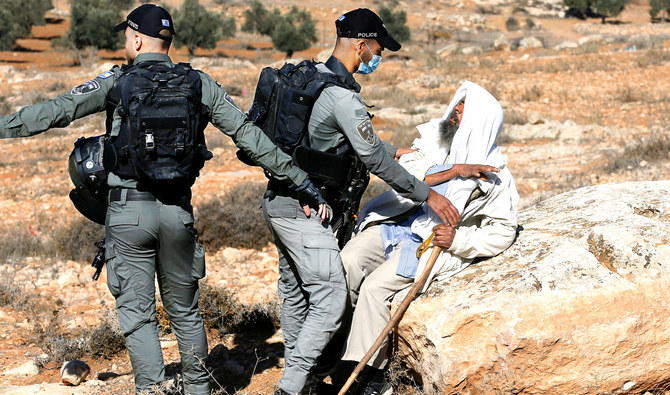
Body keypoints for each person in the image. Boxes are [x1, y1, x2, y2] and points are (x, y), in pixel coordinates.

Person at [0, 4, 326, 394]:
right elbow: (248, 136)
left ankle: (151, 390)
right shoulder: (198, 83)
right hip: (176, 213)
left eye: (126, 35)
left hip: (128, 213)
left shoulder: (118, 82)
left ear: (136, 39)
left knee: (138, 316)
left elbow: (55, 112)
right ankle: (198, 390)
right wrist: (300, 181)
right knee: (186, 313)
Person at [262, 8, 461, 395]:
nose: (377, 57)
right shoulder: (344, 98)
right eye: (377, 48)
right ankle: (296, 385)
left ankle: (303, 377)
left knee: (297, 291)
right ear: (361, 44)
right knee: (330, 296)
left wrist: (395, 147)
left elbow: (338, 140)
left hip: (282, 200)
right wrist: (427, 193)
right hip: (313, 211)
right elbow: (373, 159)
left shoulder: (313, 81)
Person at [338, 81, 520, 394]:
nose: (455, 111)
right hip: (399, 221)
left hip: (429, 242)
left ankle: (367, 379)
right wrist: (455, 170)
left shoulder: (495, 173)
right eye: (457, 104)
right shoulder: (436, 137)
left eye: (463, 109)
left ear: (478, 121)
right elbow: (409, 168)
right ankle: (332, 351)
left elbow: (503, 230)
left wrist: (458, 240)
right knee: (346, 263)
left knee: (375, 289)